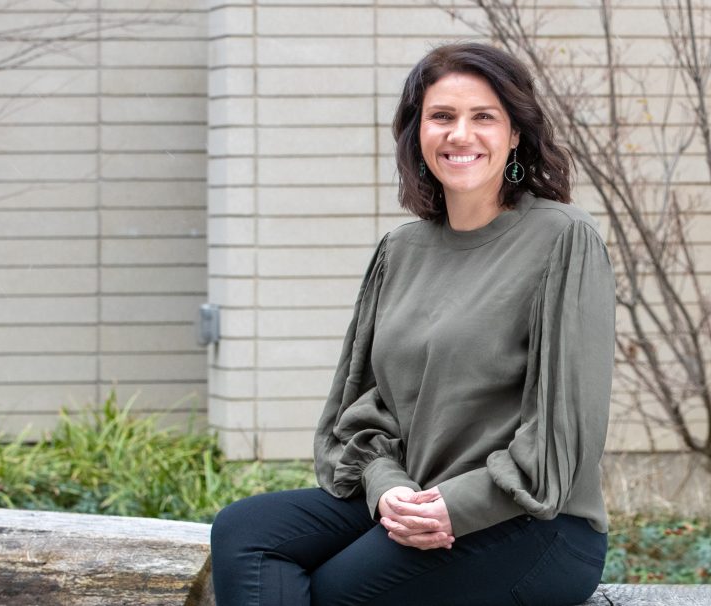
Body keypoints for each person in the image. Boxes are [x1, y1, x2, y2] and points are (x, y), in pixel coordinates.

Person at [210, 42, 615, 606]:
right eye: (441, 117)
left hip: (531, 521)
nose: (460, 134)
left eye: (483, 117)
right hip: (416, 500)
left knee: (335, 592)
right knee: (246, 531)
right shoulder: (400, 250)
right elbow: (366, 407)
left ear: (516, 133)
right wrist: (387, 488)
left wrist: (454, 505)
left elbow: (562, 435)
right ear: (417, 133)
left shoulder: (563, 239)